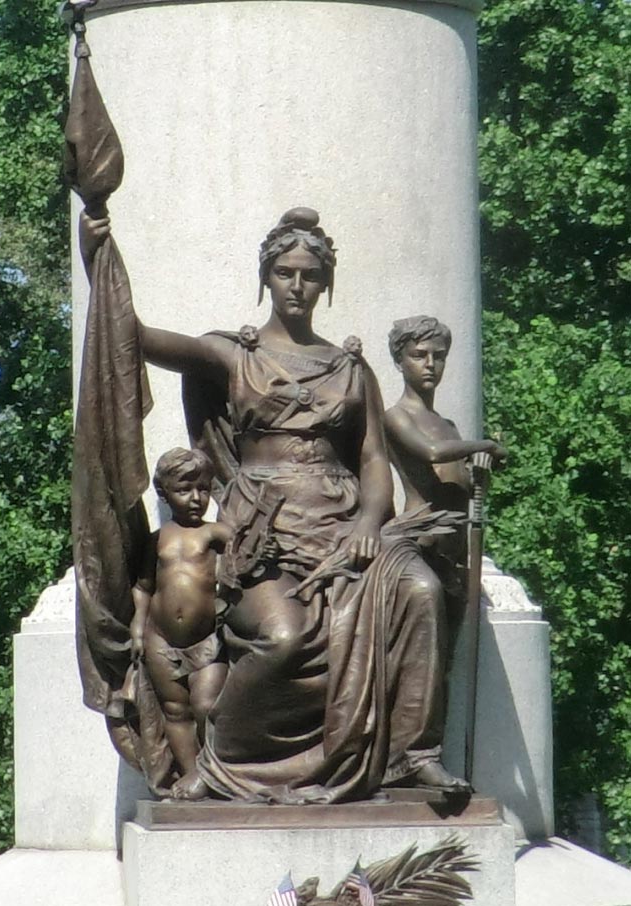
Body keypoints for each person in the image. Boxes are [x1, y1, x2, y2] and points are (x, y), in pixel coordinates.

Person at [80, 207, 468, 802]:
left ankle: (413, 756)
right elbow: (136, 337)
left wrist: (369, 519)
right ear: (266, 277)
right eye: (285, 272)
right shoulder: (237, 355)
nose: (297, 285)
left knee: (420, 592)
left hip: (344, 524)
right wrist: (96, 258)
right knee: (283, 637)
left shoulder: (350, 366)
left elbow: (372, 459)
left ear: (326, 283)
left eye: (310, 274)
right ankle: (220, 761)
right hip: (265, 534)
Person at [385, 315, 507, 638]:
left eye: (438, 357)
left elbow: (462, 486)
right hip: (420, 547)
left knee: (448, 668)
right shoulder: (396, 417)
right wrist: (484, 445)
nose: (430, 364)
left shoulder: (449, 426)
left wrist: (480, 472)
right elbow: (432, 453)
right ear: (399, 361)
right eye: (419, 355)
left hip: (454, 557)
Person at [129, 447, 230, 797]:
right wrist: (137, 628)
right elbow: (143, 588)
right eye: (185, 490)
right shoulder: (156, 541)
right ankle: (191, 776)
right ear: (163, 493)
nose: (196, 498)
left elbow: (245, 561)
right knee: (175, 711)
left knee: (206, 705)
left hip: (208, 640)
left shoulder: (217, 534)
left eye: (203, 489)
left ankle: (215, 770)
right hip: (160, 640)